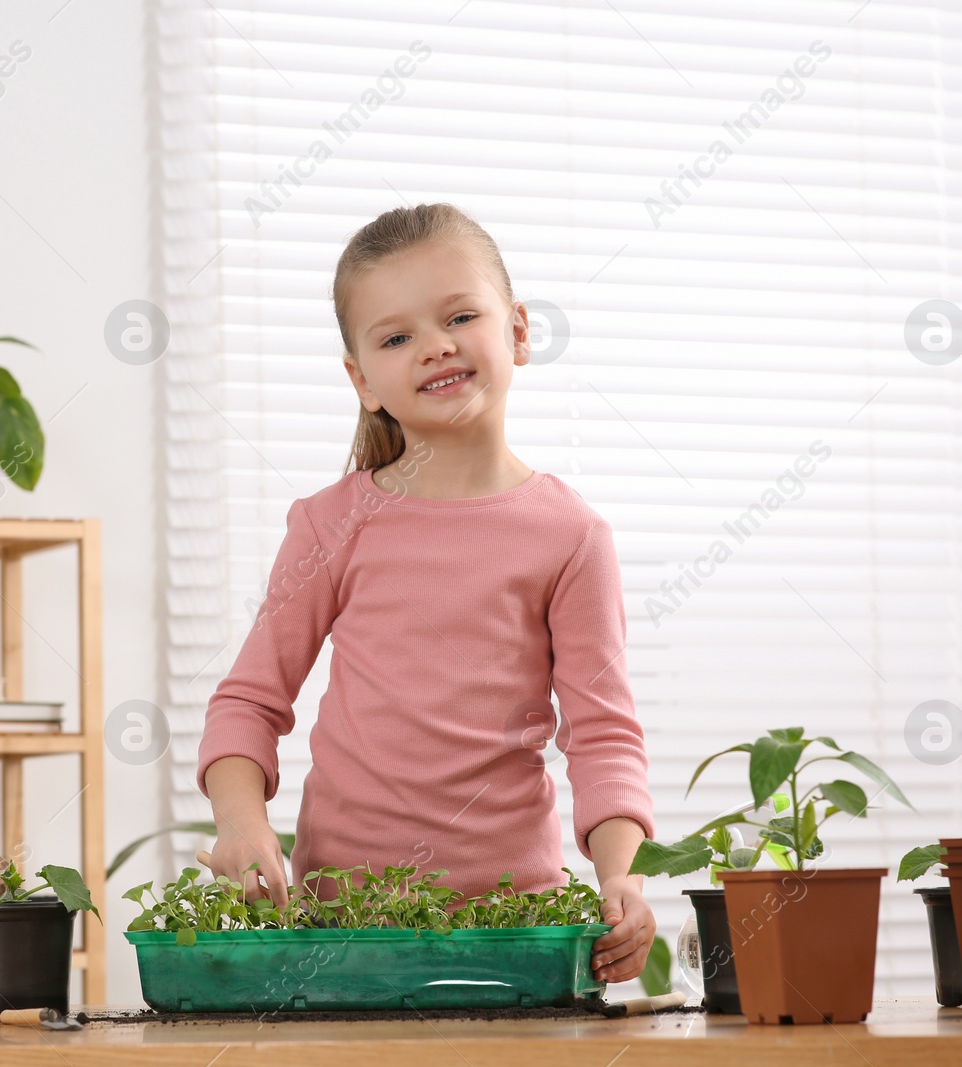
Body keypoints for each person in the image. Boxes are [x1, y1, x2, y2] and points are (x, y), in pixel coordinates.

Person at [196, 202, 655, 984]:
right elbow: (247, 702)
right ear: (362, 379)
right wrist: (241, 825)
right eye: (396, 336)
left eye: (460, 316)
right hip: (344, 927)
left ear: (517, 330)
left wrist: (621, 875)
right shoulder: (331, 525)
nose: (435, 345)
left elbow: (603, 736)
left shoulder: (572, 534)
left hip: (518, 928)